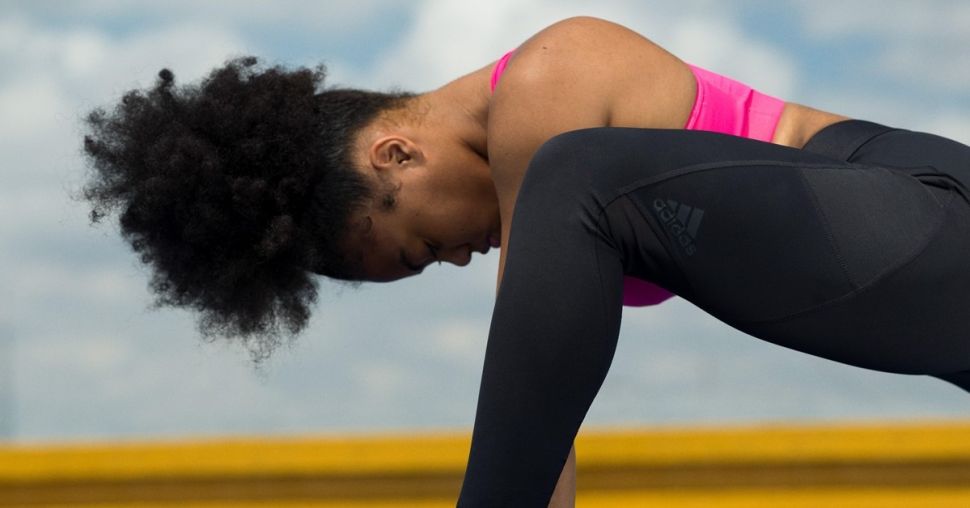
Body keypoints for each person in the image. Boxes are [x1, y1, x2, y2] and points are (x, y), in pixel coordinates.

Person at [80, 16, 970, 507]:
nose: (462, 258)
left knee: (571, 175)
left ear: (396, 154)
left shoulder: (550, 81)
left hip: (926, 207)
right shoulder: (563, 200)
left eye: (425, 248)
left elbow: (529, 414)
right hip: (920, 277)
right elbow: (547, 413)